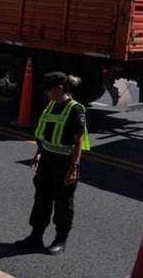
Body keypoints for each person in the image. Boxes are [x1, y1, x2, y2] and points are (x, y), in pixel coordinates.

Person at [15, 71, 90, 254]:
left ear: (59, 88)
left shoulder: (75, 110)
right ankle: (36, 236)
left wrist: (74, 168)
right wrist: (39, 153)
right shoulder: (50, 106)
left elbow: (78, 142)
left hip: (65, 162)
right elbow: (45, 134)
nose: (46, 93)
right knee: (41, 198)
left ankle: (60, 239)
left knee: (63, 202)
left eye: (49, 90)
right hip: (47, 159)